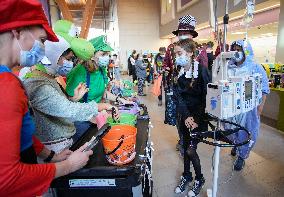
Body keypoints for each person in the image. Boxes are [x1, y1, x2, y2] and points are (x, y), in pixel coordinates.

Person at [0, 0, 93, 196]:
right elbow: (7, 179)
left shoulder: (10, 80)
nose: (43, 47)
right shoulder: (7, 85)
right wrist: (68, 166)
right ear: (18, 32)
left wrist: (51, 156)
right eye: (41, 40)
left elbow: (21, 135)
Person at [23, 35, 116, 153]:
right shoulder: (38, 84)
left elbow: (57, 107)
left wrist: (73, 98)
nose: (70, 64)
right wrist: (101, 106)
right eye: (68, 59)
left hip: (63, 144)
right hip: (53, 148)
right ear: (54, 57)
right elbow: (68, 110)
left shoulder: (49, 79)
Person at [66, 35, 131, 139]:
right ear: (92, 55)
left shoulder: (100, 70)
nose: (107, 57)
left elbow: (103, 92)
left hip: (98, 115)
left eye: (107, 54)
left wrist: (120, 99)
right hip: (82, 121)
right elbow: (69, 103)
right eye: (103, 54)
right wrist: (90, 117)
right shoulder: (78, 72)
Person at [174, 39, 209, 197]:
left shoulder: (201, 71)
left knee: (190, 150)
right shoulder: (179, 71)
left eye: (179, 53)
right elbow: (178, 96)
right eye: (175, 54)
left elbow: (207, 99)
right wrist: (186, 116)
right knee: (185, 147)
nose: (176, 57)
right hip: (185, 115)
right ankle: (186, 175)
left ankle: (199, 179)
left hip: (198, 118)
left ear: (189, 53)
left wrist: (195, 119)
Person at [227, 40, 270, 171]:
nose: (236, 52)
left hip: (250, 108)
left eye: (239, 49)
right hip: (233, 107)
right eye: (234, 49)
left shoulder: (255, 67)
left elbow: (264, 88)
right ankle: (235, 144)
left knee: (248, 131)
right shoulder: (229, 66)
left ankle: (242, 156)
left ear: (246, 51)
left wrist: (260, 106)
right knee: (233, 128)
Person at [163, 15, 199, 155]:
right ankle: (183, 140)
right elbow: (166, 64)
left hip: (192, 89)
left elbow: (202, 69)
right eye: (180, 33)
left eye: (186, 33)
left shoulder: (198, 49)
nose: (183, 35)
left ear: (192, 35)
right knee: (179, 116)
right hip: (176, 87)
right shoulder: (171, 48)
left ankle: (189, 141)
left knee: (192, 116)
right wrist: (166, 70)